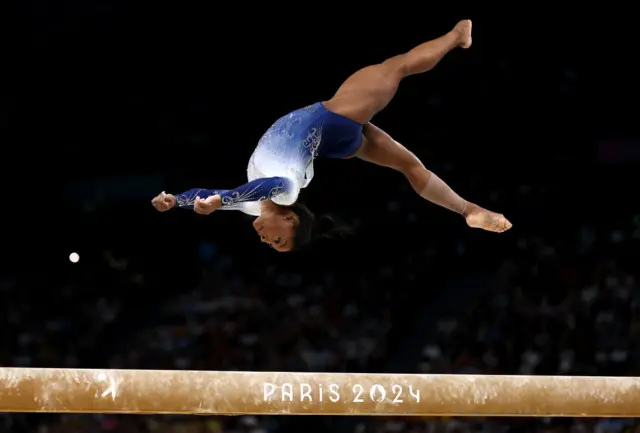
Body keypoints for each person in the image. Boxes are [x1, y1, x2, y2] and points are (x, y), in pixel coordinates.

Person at [152, 20, 512, 252]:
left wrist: (177, 200)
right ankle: (454, 36)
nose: (267, 240)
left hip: (329, 140)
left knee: (408, 164)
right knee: (397, 67)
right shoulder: (287, 191)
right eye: (279, 240)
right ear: (290, 219)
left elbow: (208, 195)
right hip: (332, 121)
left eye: (272, 244)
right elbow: (266, 185)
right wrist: (220, 200)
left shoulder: (248, 207)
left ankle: (469, 210)